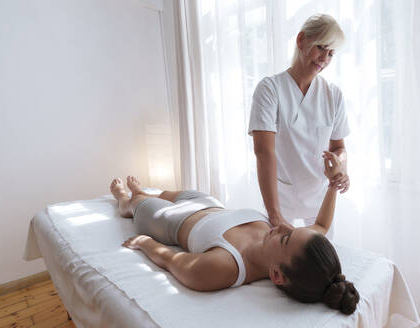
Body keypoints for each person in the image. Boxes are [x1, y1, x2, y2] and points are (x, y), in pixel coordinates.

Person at [114, 151, 360, 315]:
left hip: (168, 222)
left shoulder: (228, 266)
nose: (284, 225)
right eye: (293, 229)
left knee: (137, 205)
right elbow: (322, 226)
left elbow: (175, 262)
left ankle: (126, 200)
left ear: (276, 275)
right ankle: (145, 192)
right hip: (205, 203)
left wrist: (145, 243)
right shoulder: (293, 246)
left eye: (285, 237)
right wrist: (333, 184)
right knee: (163, 193)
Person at [248, 14, 350, 232]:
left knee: (321, 261)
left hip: (319, 198)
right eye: (321, 47)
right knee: (278, 262)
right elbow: (263, 152)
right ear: (301, 40)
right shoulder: (270, 89)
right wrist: (275, 215)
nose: (325, 58)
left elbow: (339, 147)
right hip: (280, 198)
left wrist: (341, 168)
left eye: (331, 53)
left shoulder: (333, 95)